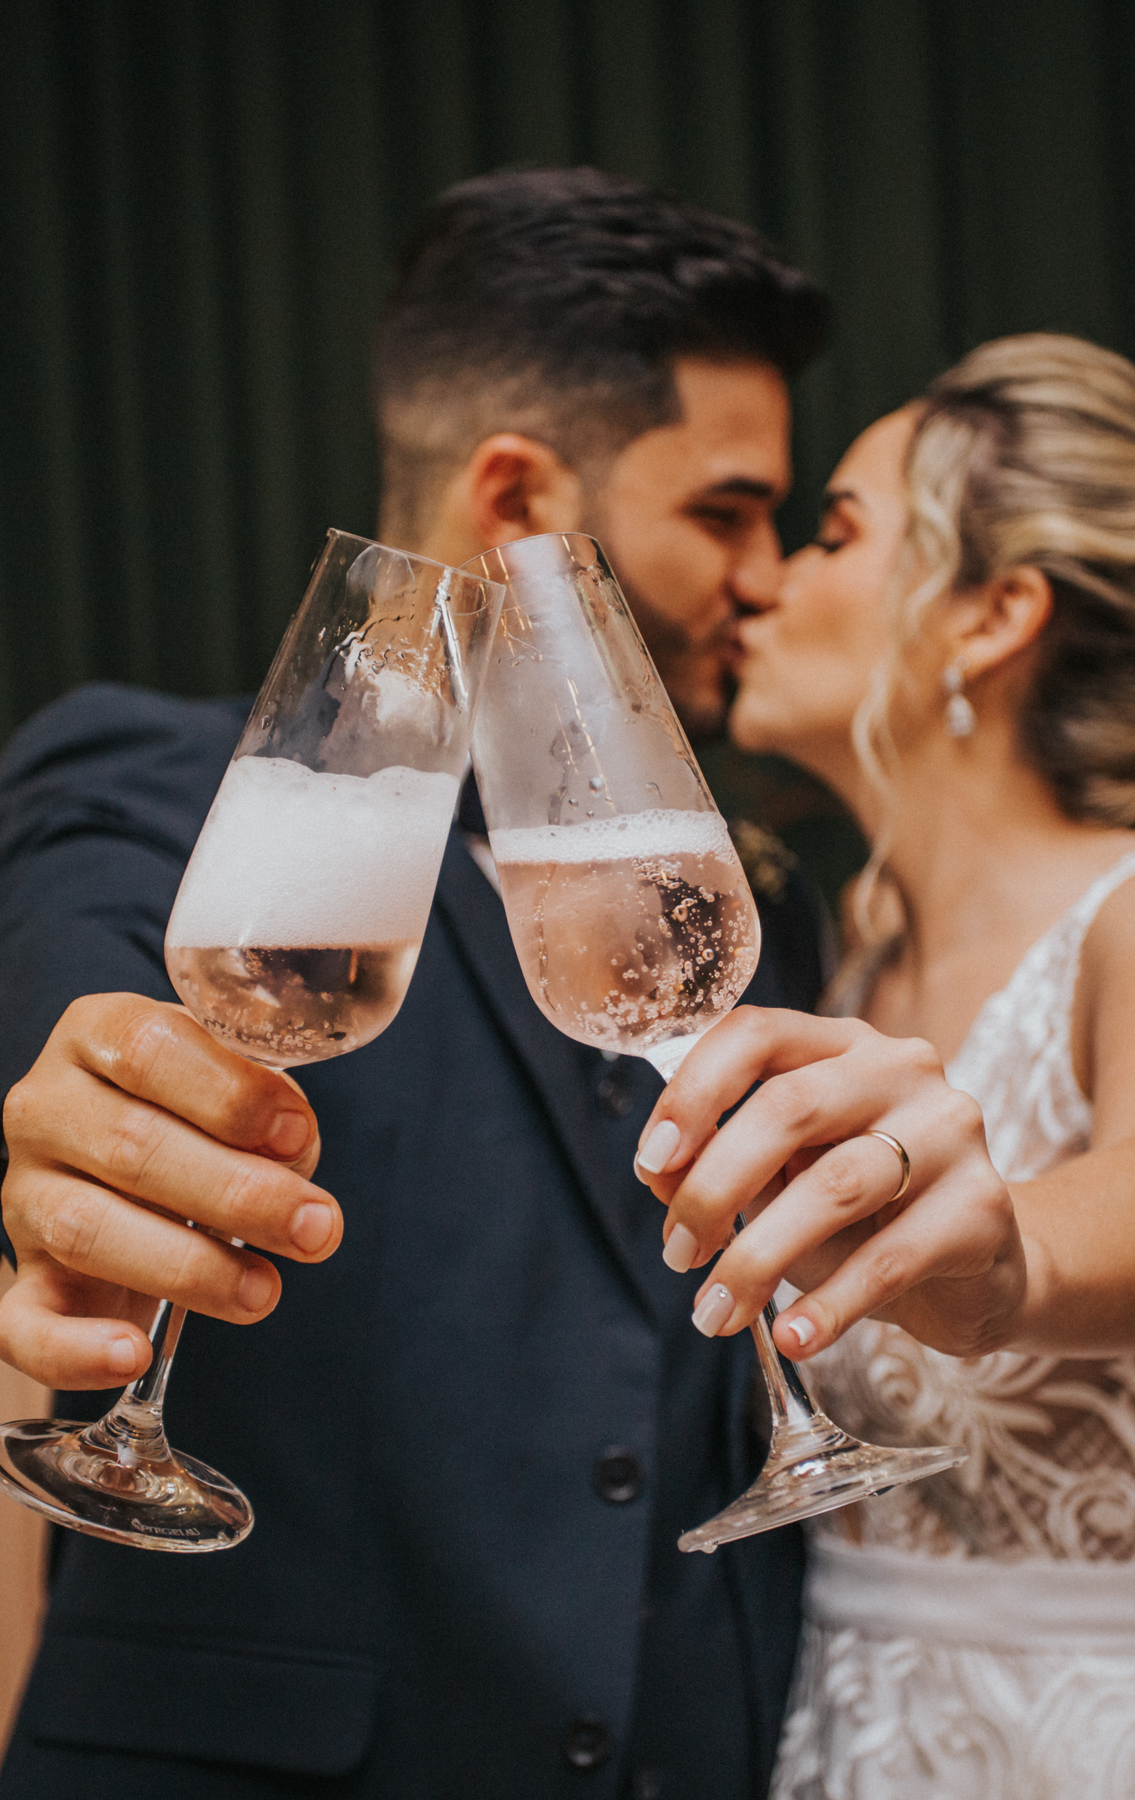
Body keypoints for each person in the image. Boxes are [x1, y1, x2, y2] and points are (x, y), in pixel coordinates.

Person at [0, 169, 1024, 1800]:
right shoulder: (165, 787)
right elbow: (78, 992)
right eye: (725, 512)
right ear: (517, 496)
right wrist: (82, 1116)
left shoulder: (745, 889)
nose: (764, 577)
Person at [633, 333, 1135, 1799]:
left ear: (996, 614)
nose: (763, 580)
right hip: (836, 1732)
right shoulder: (841, 955)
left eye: (833, 533)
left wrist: (1010, 1260)